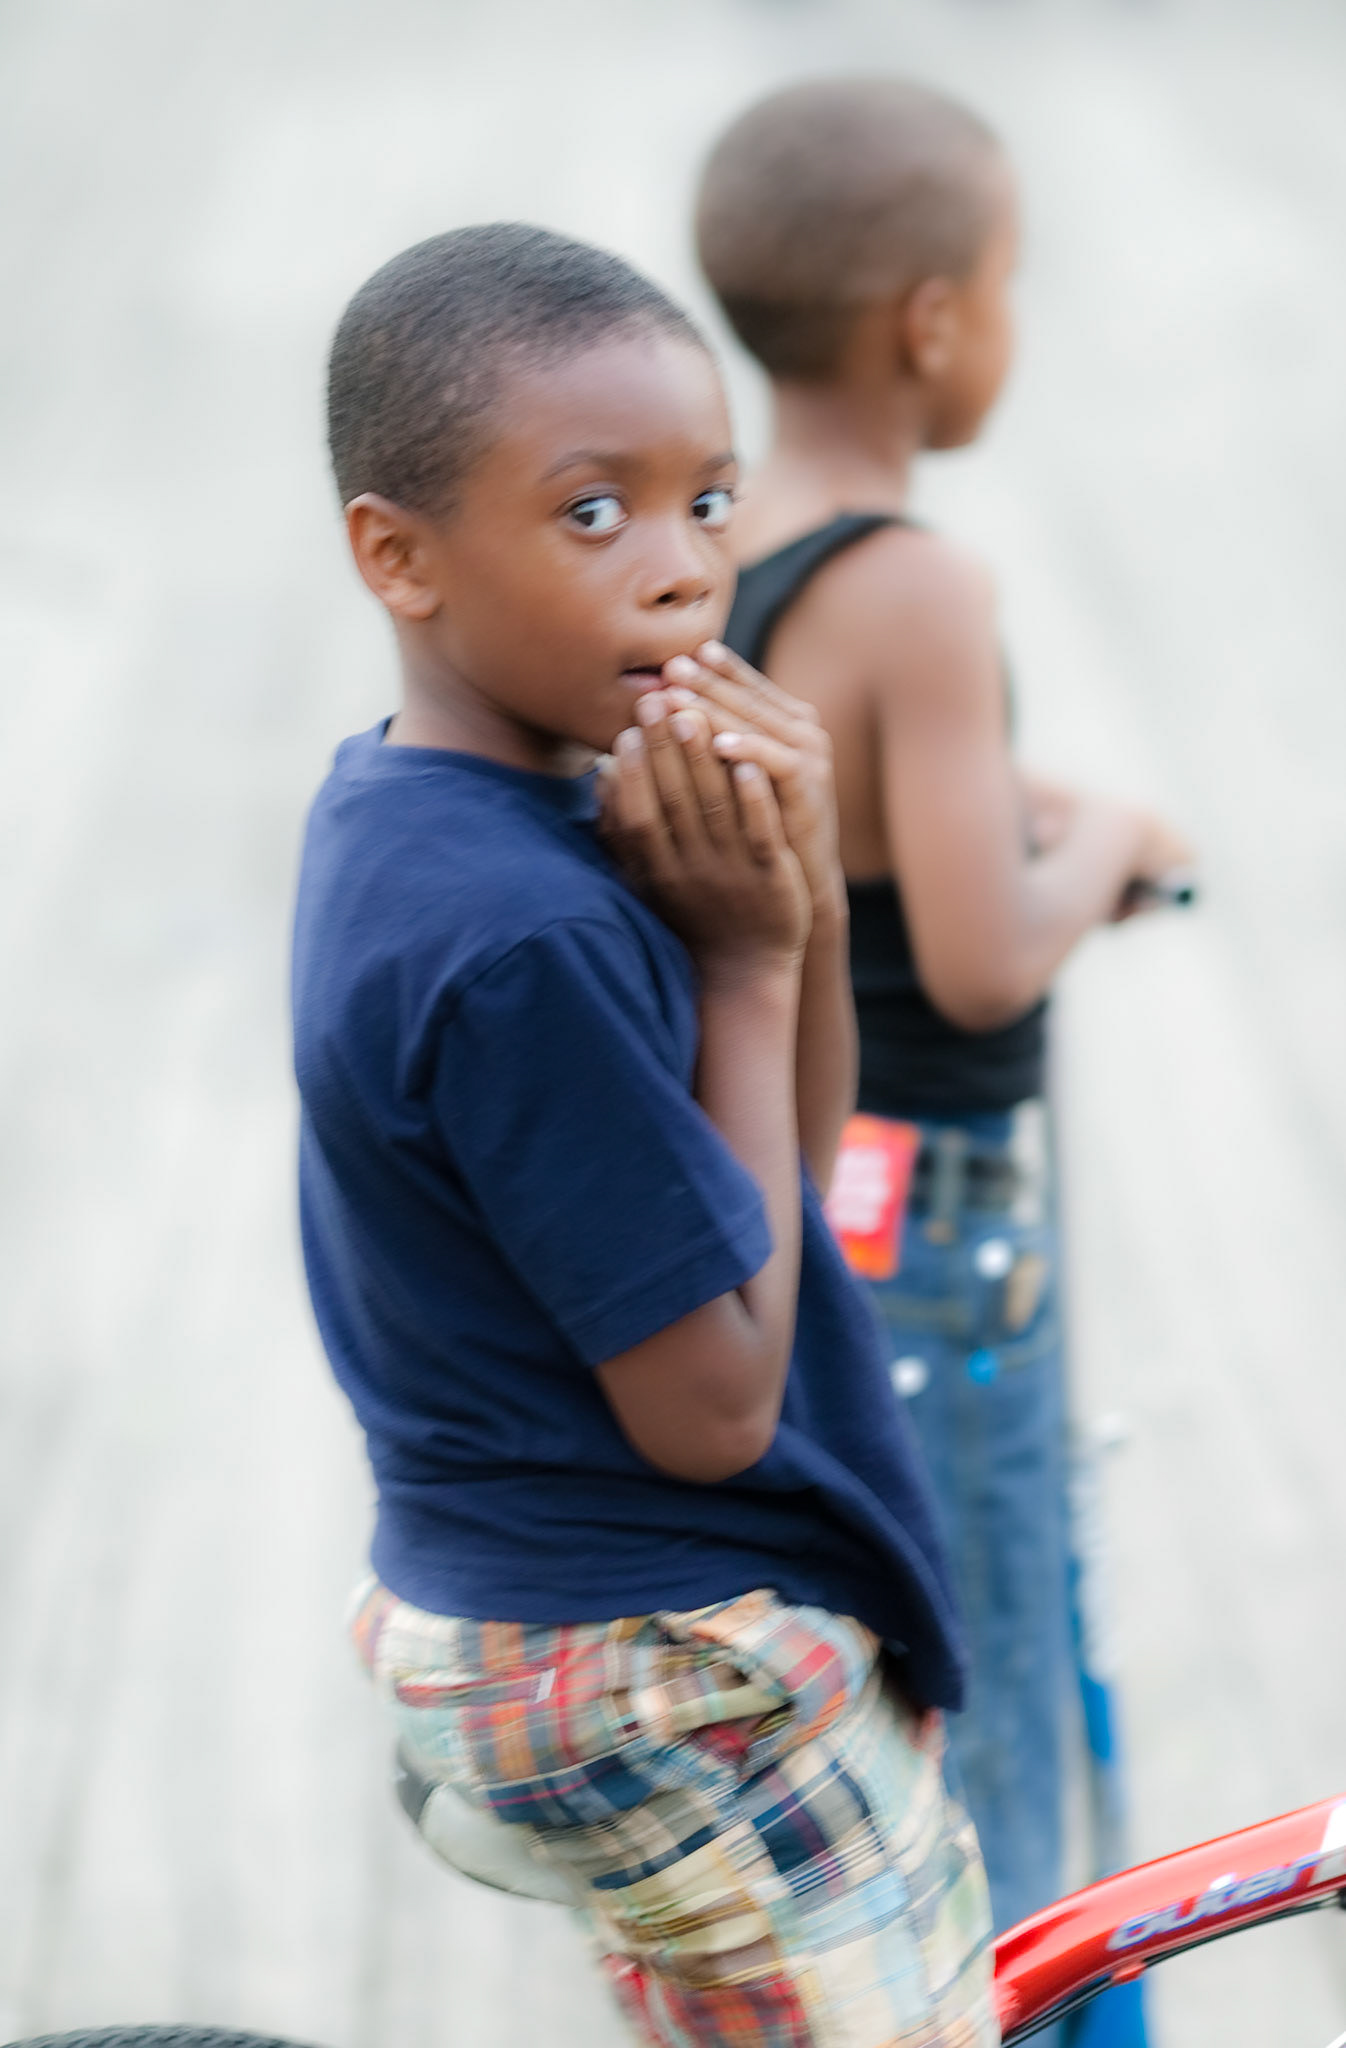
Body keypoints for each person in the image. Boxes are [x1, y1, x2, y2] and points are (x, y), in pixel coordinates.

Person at [294, 222, 998, 2047]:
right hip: (653, 1653)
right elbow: (712, 1411)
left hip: (547, 1607)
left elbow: (773, 1178)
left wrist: (802, 899)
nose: (687, 572)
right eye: (594, 513)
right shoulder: (518, 933)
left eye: (711, 501)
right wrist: (749, 970)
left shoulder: (448, 805)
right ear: (398, 554)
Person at [696, 75, 1191, 2017]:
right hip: (951, 1217)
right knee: (999, 1664)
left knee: (895, 1650)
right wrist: (1120, 849)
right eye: (1004, 286)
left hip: (800, 1182)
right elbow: (982, 960)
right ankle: (1046, 2007)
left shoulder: (718, 537)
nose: (1005, 325)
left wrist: (1016, 801)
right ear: (927, 320)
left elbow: (869, 818)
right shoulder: (921, 581)